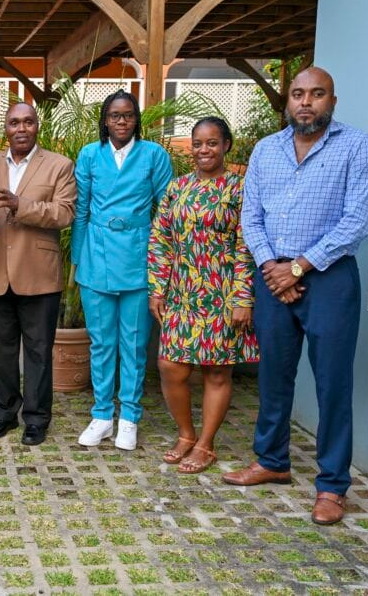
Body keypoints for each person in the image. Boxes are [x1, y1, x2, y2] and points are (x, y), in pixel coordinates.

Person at [224, 67, 368, 526]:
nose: (306, 102)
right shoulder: (265, 150)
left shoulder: (356, 147)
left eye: (316, 94)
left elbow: (358, 220)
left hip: (329, 279)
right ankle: (271, 460)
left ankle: (332, 485)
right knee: (273, 373)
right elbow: (250, 216)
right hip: (272, 275)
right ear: (287, 101)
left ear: (332, 100)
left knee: (333, 383)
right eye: (297, 94)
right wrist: (275, 268)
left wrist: (299, 267)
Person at [147, 117, 258, 474]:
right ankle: (185, 434)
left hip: (222, 292)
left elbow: (247, 246)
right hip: (182, 292)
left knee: (216, 373)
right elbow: (160, 239)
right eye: (197, 143)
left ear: (227, 145)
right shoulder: (177, 188)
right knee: (170, 366)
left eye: (211, 143)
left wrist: (243, 297)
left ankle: (207, 444)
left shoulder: (239, 189)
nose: (203, 150)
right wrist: (157, 288)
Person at [73, 90, 173, 450]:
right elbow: (81, 208)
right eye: (114, 115)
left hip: (139, 258)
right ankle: (101, 416)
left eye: (128, 115)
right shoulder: (89, 154)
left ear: (137, 119)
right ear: (105, 119)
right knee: (101, 342)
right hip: (96, 258)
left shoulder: (154, 155)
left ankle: (129, 418)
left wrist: (162, 266)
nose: (121, 121)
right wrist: (78, 260)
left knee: (133, 344)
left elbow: (166, 212)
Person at [0, 102, 76, 446]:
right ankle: (4, 413)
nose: (21, 128)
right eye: (14, 123)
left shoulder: (59, 166)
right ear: (5, 129)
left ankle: (36, 418)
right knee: (1, 353)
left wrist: (23, 205)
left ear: (38, 126)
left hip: (39, 273)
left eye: (28, 122)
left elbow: (65, 214)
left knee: (38, 351)